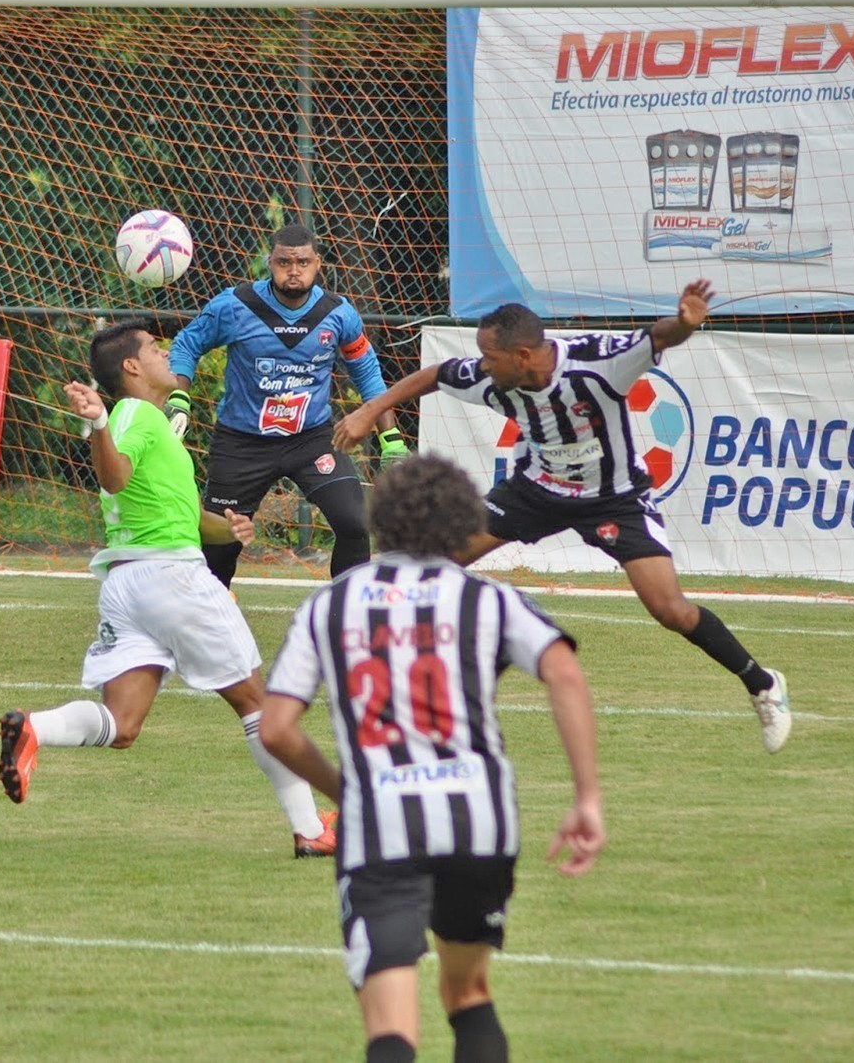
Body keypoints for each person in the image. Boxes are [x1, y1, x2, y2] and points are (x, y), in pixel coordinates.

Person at [333, 281, 793, 754]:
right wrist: (372, 410)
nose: (482, 367)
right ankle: (382, 669)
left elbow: (655, 338)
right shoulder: (493, 378)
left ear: (525, 355)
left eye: (491, 358)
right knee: (433, 562)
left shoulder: (596, 362)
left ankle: (762, 684)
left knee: (670, 610)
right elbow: (436, 374)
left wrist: (683, 324)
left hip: (613, 498)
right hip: (537, 490)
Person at [258, 454, 605, 1063]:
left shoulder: (329, 604)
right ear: (463, 522)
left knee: (392, 1024)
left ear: (382, 519)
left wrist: (346, 791)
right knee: (468, 992)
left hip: (382, 827)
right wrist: (587, 797)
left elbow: (278, 728)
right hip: (478, 818)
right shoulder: (488, 599)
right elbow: (564, 672)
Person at [0, 322, 337, 858]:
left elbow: (183, 516)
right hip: (171, 580)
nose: (164, 355)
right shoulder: (134, 414)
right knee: (258, 705)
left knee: (123, 725)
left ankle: (33, 729)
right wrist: (101, 426)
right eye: (155, 349)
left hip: (127, 584)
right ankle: (313, 831)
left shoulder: (154, 425)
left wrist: (231, 528)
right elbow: (116, 477)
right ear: (132, 367)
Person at [166, 223, 408, 590]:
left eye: (303, 262)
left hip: (311, 440)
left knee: (354, 523)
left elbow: (369, 376)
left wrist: (390, 437)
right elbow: (186, 344)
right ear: (269, 262)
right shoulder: (234, 305)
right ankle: (205, 624)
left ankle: (348, 616)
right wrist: (179, 397)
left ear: (318, 264)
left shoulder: (339, 314)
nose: (293, 270)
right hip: (241, 444)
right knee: (220, 544)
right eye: (284, 262)